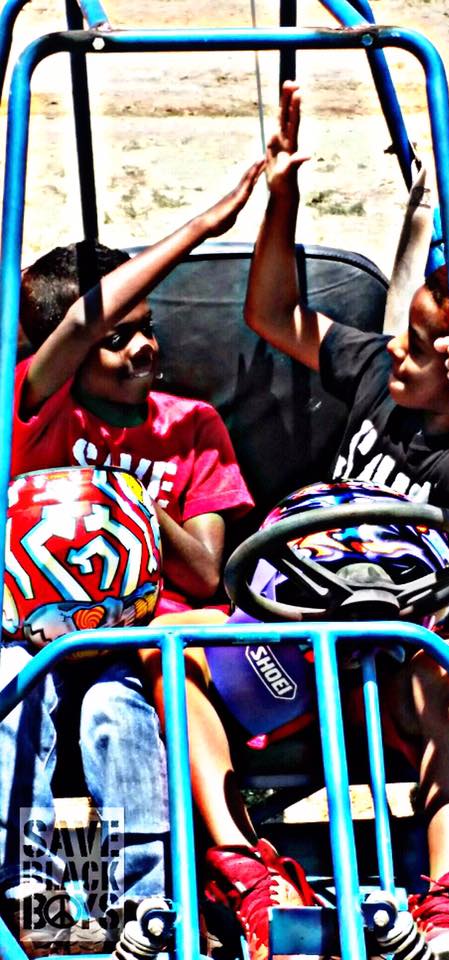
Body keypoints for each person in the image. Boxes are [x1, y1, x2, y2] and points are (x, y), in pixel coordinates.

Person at [237, 81, 449, 960]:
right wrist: (282, 195)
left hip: (407, 647)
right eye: (402, 334)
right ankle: (238, 868)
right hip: (303, 631)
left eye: (421, 347)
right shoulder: (381, 373)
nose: (395, 350)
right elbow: (271, 316)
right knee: (176, 664)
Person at [0, 160, 262, 955]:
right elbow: (80, 324)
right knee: (14, 698)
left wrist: (135, 505)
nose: (142, 346)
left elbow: (207, 574)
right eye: (117, 338)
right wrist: (200, 229)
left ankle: (144, 906)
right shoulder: (35, 409)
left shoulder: (191, 426)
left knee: (113, 716)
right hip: (32, 634)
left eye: (148, 328)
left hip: (138, 636)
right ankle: (38, 897)